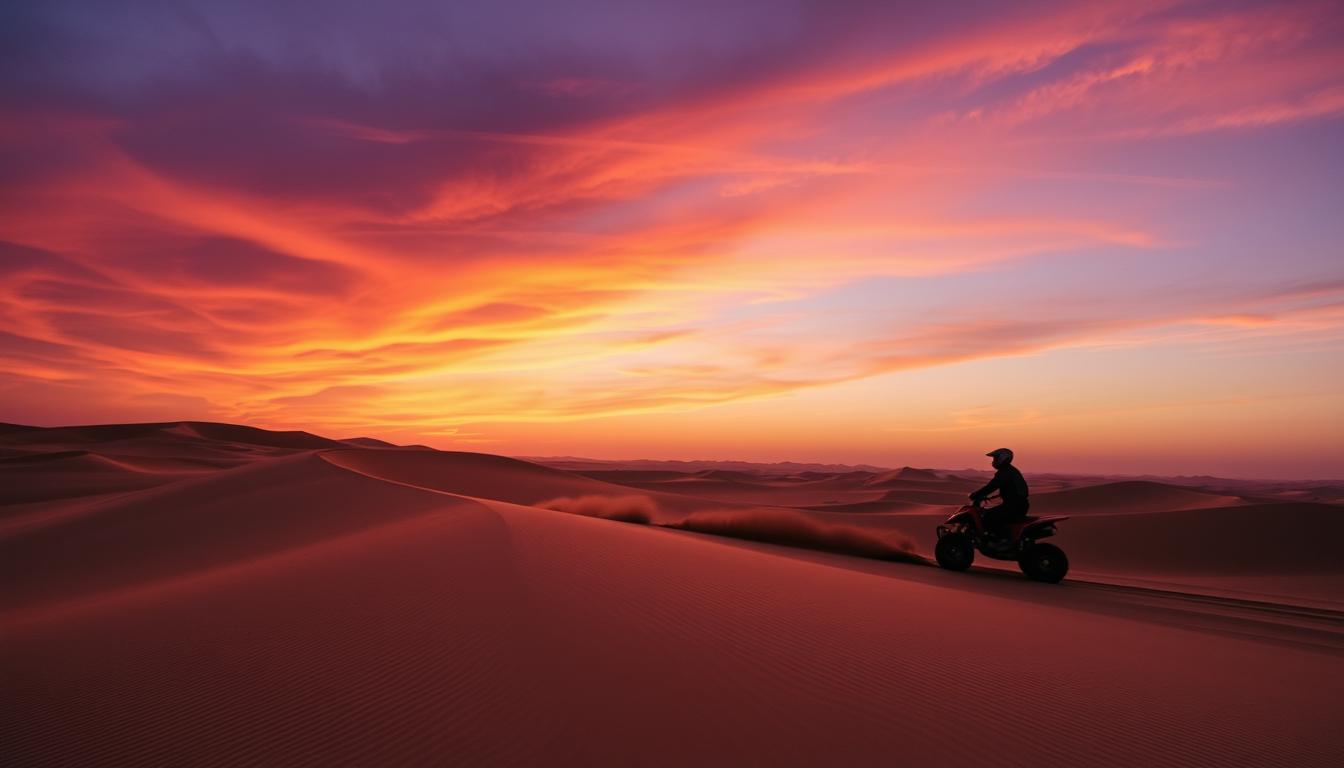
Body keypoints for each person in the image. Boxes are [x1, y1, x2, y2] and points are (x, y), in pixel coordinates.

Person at [969, 447, 1029, 541]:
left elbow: (991, 486)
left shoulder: (1005, 473)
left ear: (1003, 458)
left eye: (995, 458)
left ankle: (1000, 541)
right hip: (1017, 505)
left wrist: (976, 494)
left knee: (988, 517)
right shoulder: (1010, 471)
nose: (993, 461)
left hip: (1013, 506)